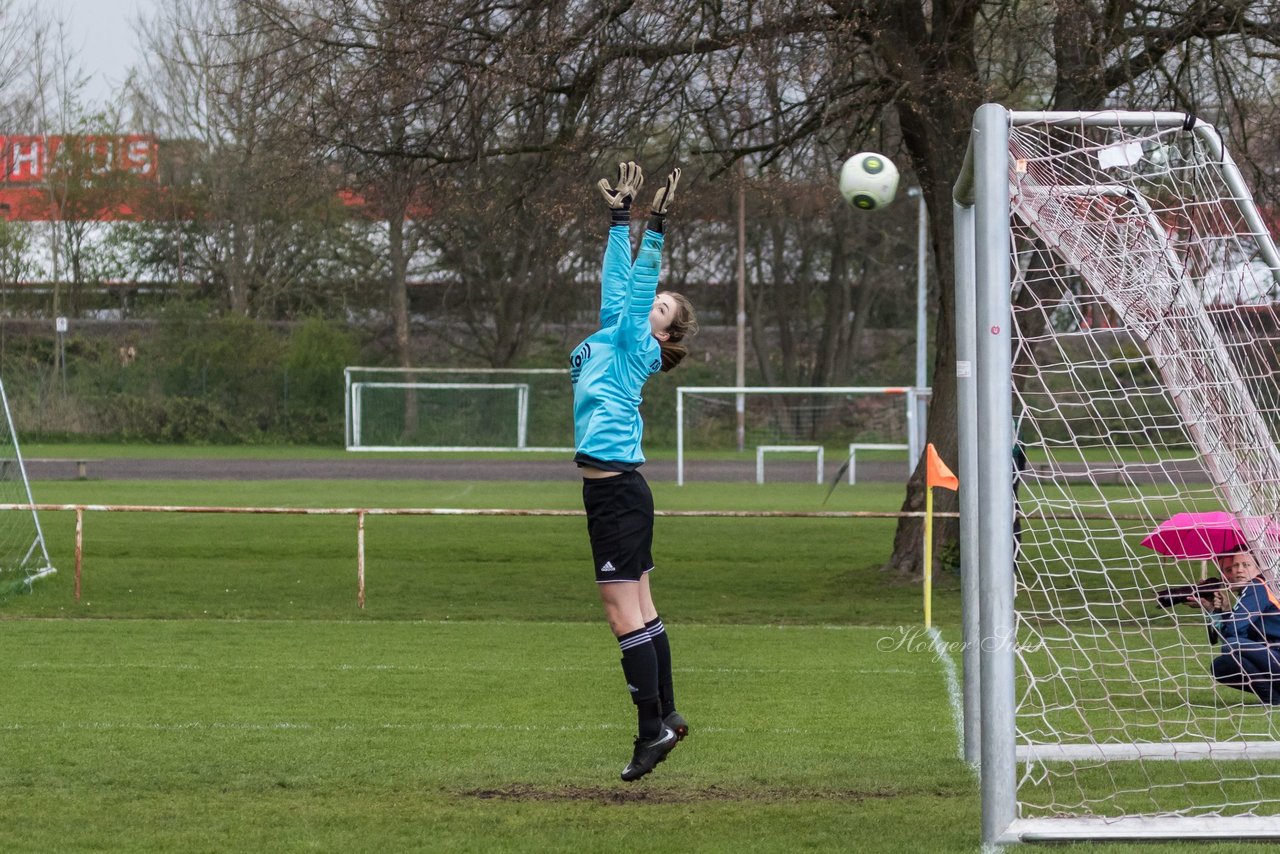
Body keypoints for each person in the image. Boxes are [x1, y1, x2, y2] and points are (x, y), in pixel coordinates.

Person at [569, 160, 698, 782]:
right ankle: (667, 715)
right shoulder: (614, 332)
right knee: (642, 611)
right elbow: (618, 283)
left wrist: (658, 224)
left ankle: (652, 733)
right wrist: (622, 219)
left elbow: (636, 288)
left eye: (663, 307)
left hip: (617, 492)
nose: (653, 305)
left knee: (623, 615)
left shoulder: (635, 345)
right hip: (620, 493)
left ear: (664, 331)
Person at [1189, 545, 1280, 705]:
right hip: (1273, 657)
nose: (1238, 571)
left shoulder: (1257, 585)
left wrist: (1223, 613)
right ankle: (1275, 697)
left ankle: (1270, 699)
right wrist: (1214, 610)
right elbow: (1238, 634)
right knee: (1220, 666)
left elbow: (1233, 633)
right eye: (1234, 566)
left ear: (1259, 568)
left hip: (1276, 656)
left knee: (1232, 645)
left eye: (1246, 565)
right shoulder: (1252, 592)